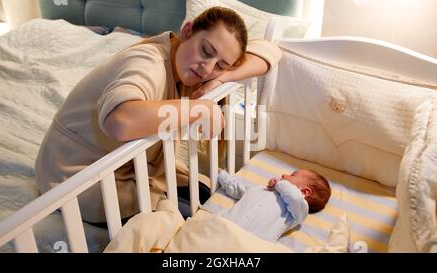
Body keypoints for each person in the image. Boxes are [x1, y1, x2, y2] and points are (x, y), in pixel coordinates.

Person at [34, 7, 283, 224]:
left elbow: (270, 51)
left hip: (126, 166)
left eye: (220, 64)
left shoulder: (192, 66)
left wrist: (222, 77)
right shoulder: (149, 62)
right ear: (187, 31)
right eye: (206, 51)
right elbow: (120, 121)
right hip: (73, 175)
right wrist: (200, 108)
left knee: (205, 193)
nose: (207, 68)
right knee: (186, 219)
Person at [215, 169, 331, 241]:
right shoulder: (260, 189)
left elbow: (294, 196)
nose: (284, 174)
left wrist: (280, 184)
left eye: (293, 175)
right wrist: (223, 175)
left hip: (251, 242)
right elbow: (238, 189)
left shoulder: (298, 211)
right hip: (224, 225)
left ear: (304, 192)